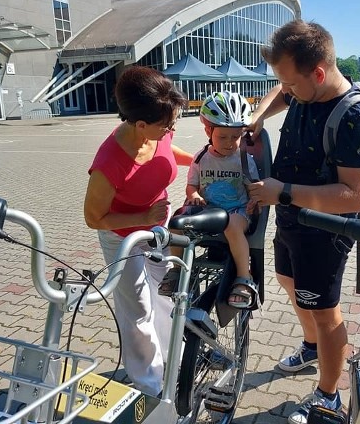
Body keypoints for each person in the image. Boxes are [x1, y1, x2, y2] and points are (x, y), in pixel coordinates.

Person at [246, 20, 360, 424]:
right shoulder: (305, 90)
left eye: (289, 82)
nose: (284, 90)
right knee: (290, 282)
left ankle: (329, 396)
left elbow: (355, 195)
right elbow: (282, 91)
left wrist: (282, 191)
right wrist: (257, 117)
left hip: (326, 231)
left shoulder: (356, 116)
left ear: (318, 73)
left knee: (325, 311)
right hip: (289, 219)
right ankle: (310, 347)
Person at [83, 66, 192, 397]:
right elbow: (93, 217)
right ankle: (148, 383)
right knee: (137, 308)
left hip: (157, 231)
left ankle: (174, 363)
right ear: (141, 125)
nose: (172, 129)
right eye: (167, 126)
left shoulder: (157, 129)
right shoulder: (109, 161)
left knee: (166, 295)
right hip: (122, 237)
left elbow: (167, 151)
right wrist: (143, 214)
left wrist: (202, 161)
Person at [162, 91, 260, 307]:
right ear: (208, 130)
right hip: (207, 211)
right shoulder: (200, 158)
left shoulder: (244, 160)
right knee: (176, 223)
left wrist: (255, 200)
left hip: (237, 211)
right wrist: (194, 195)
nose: (230, 143)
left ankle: (244, 277)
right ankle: (177, 270)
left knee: (233, 226)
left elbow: (253, 188)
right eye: (223, 137)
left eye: (236, 137)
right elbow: (192, 185)